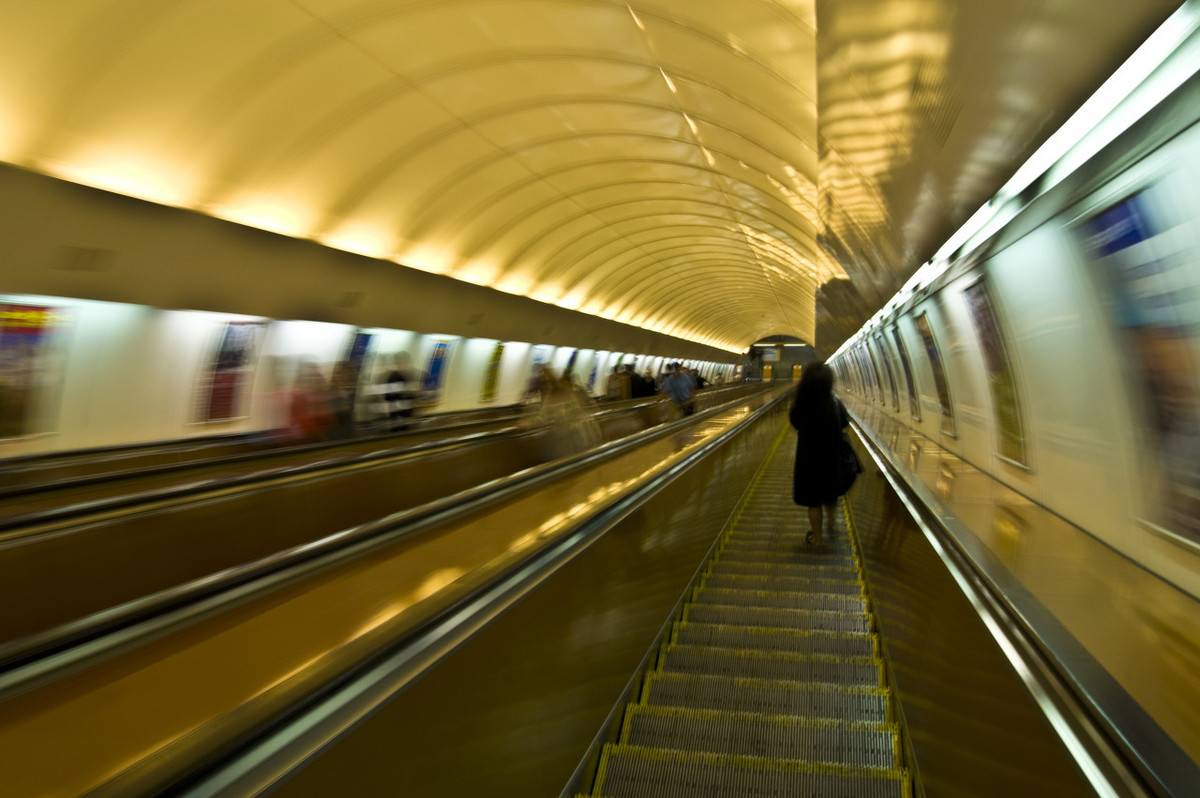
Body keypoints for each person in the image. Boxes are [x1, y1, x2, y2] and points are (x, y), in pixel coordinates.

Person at [790, 362, 860, 545]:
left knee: (813, 501)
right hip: (832, 457)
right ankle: (831, 523)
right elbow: (845, 423)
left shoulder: (801, 405)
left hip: (809, 458)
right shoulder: (835, 403)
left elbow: (795, 423)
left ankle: (817, 537)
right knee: (830, 493)